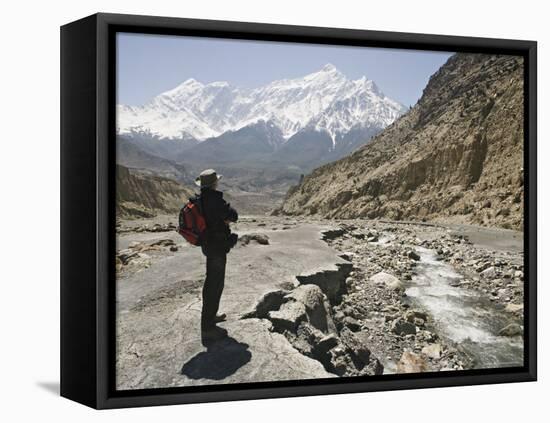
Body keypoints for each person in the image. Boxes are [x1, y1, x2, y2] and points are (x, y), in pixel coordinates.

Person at [195, 169, 239, 345]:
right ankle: (208, 329)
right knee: (214, 285)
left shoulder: (200, 199)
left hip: (208, 246)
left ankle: (211, 317)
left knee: (212, 282)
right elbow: (233, 215)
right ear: (214, 183)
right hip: (217, 248)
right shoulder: (215, 200)